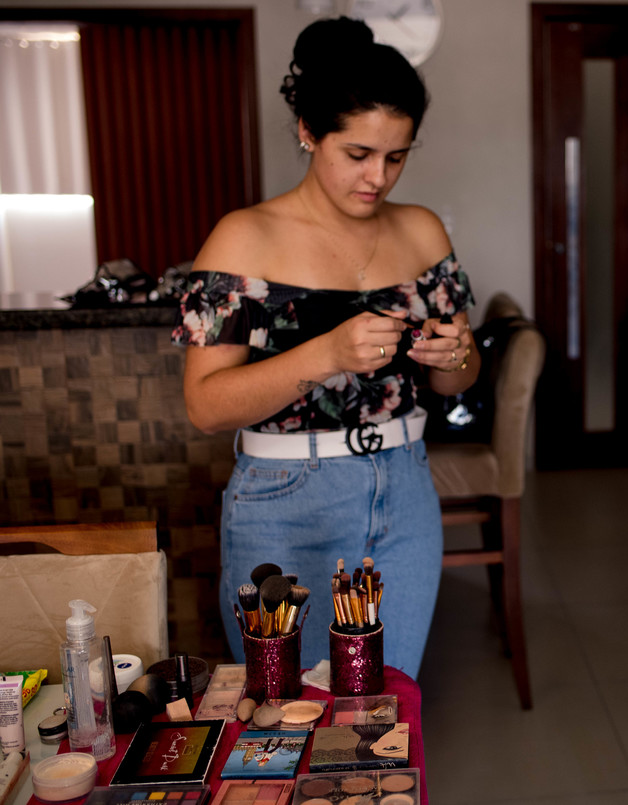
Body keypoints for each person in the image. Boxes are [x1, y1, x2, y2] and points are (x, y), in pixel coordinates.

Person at [172, 16, 478, 675]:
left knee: (388, 706)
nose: (378, 177)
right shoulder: (243, 238)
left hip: (405, 486)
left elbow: (458, 377)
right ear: (309, 131)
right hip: (285, 500)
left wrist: (454, 355)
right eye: (358, 154)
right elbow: (205, 406)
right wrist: (327, 354)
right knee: (288, 716)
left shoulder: (422, 231)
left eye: (396, 157)